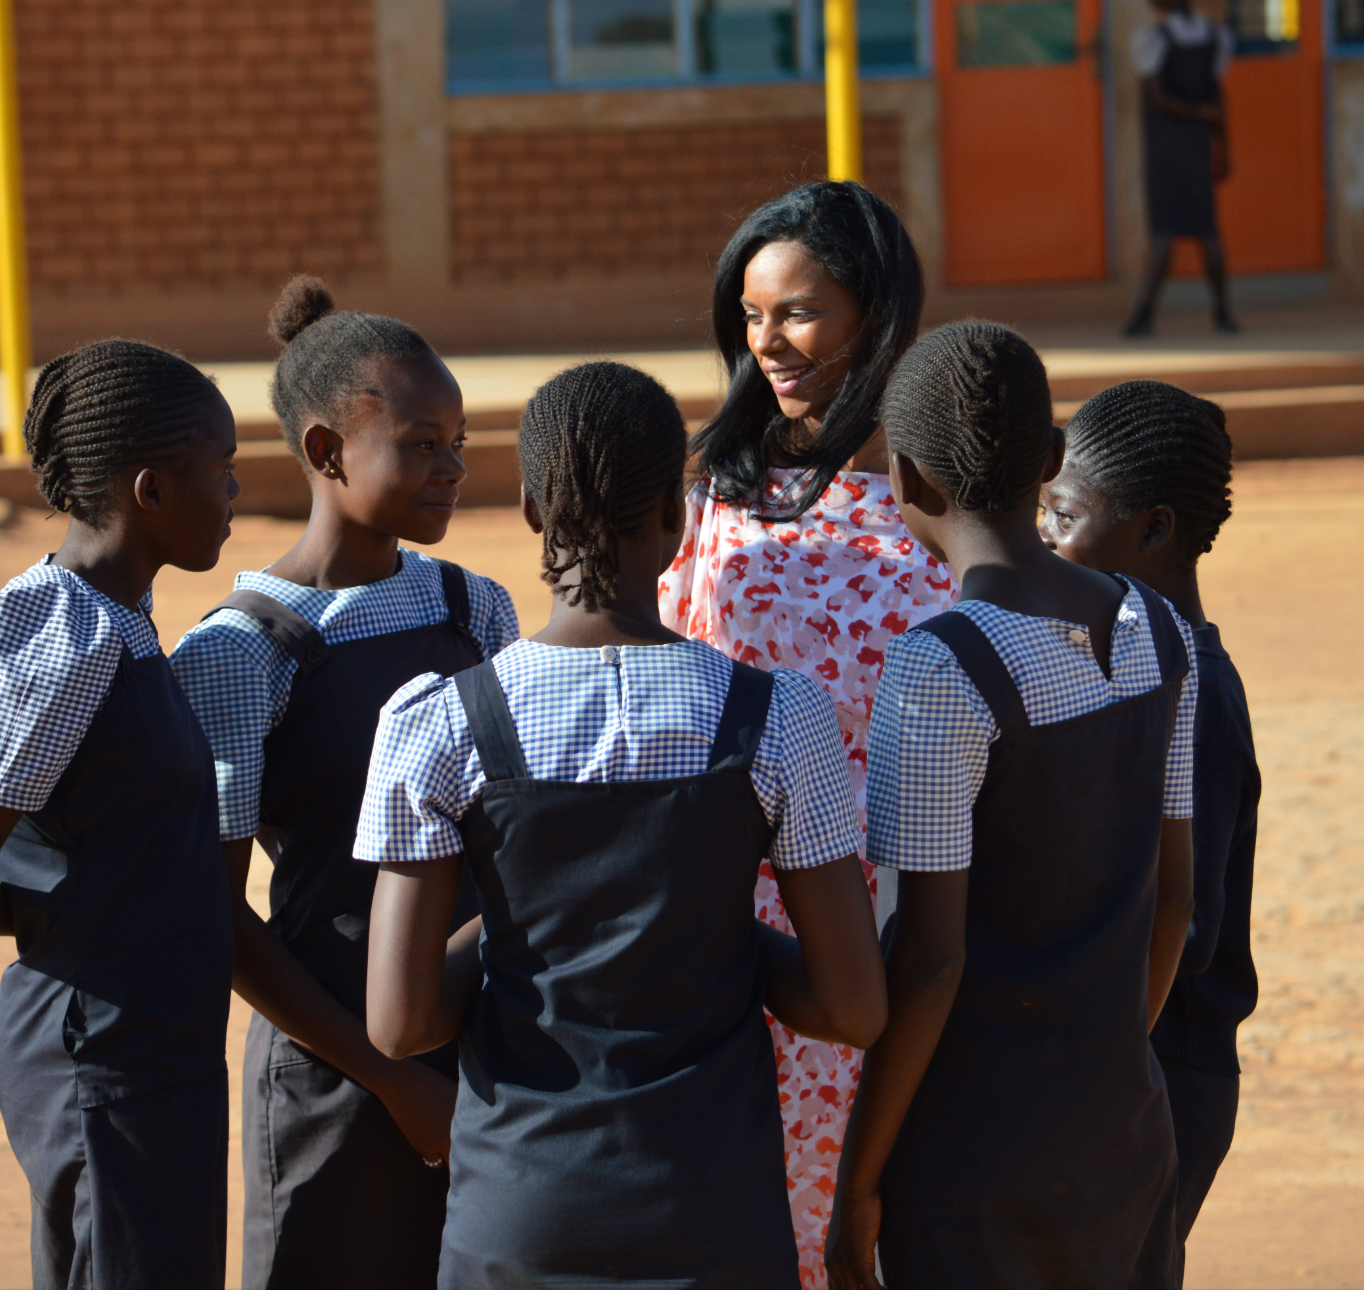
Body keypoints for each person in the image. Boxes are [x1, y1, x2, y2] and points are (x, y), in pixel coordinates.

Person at [358, 361, 888, 1288]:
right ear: (679, 518)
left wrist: (536, 919)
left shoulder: (440, 724)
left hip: (520, 1215)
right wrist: (706, 919)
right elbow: (851, 1006)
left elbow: (401, 1025)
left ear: (529, 507)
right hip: (713, 1212)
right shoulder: (775, 718)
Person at [826, 322, 1199, 1290]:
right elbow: (1175, 902)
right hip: (1124, 1123)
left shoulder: (939, 667)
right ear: (1053, 460)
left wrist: (859, 1180)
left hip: (978, 1158)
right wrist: (1110, 1055)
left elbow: (931, 957)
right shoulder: (1160, 630)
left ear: (903, 481)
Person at [169, 277, 520, 1288]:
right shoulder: (244, 651)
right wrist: (393, 1079)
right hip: (333, 1064)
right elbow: (216, 912)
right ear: (326, 453)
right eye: (421, 445)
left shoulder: (474, 606)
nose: (452, 468)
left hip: (484, 1041)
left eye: (457, 441)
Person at [657, 179, 950, 1284]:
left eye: (798, 311)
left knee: (874, 1222)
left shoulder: (933, 499)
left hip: (902, 923)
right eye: (750, 314)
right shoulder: (710, 503)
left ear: (872, 310)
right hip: (732, 938)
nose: (767, 341)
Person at [0, 339, 241, 1290]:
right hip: (101, 1056)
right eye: (220, 473)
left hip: (149, 1044)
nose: (234, 494)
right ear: (150, 492)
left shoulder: (123, 618)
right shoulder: (66, 631)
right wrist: (77, 924)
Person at [1042, 380, 1261, 1282]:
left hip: (1163, 1073)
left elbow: (1191, 925)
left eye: (1063, 513)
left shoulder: (1194, 689)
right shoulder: (1123, 655)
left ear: (1155, 530)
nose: (1045, 536)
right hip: (1120, 1058)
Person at [1125, 0, 1239, 337]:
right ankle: (1222, 313)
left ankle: (1144, 314)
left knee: (1164, 231)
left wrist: (1207, 124)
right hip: (1197, 146)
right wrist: (1220, 143)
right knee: (1206, 230)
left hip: (1167, 149)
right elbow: (1218, 101)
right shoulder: (1213, 36)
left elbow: (1158, 98)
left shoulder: (1155, 38)